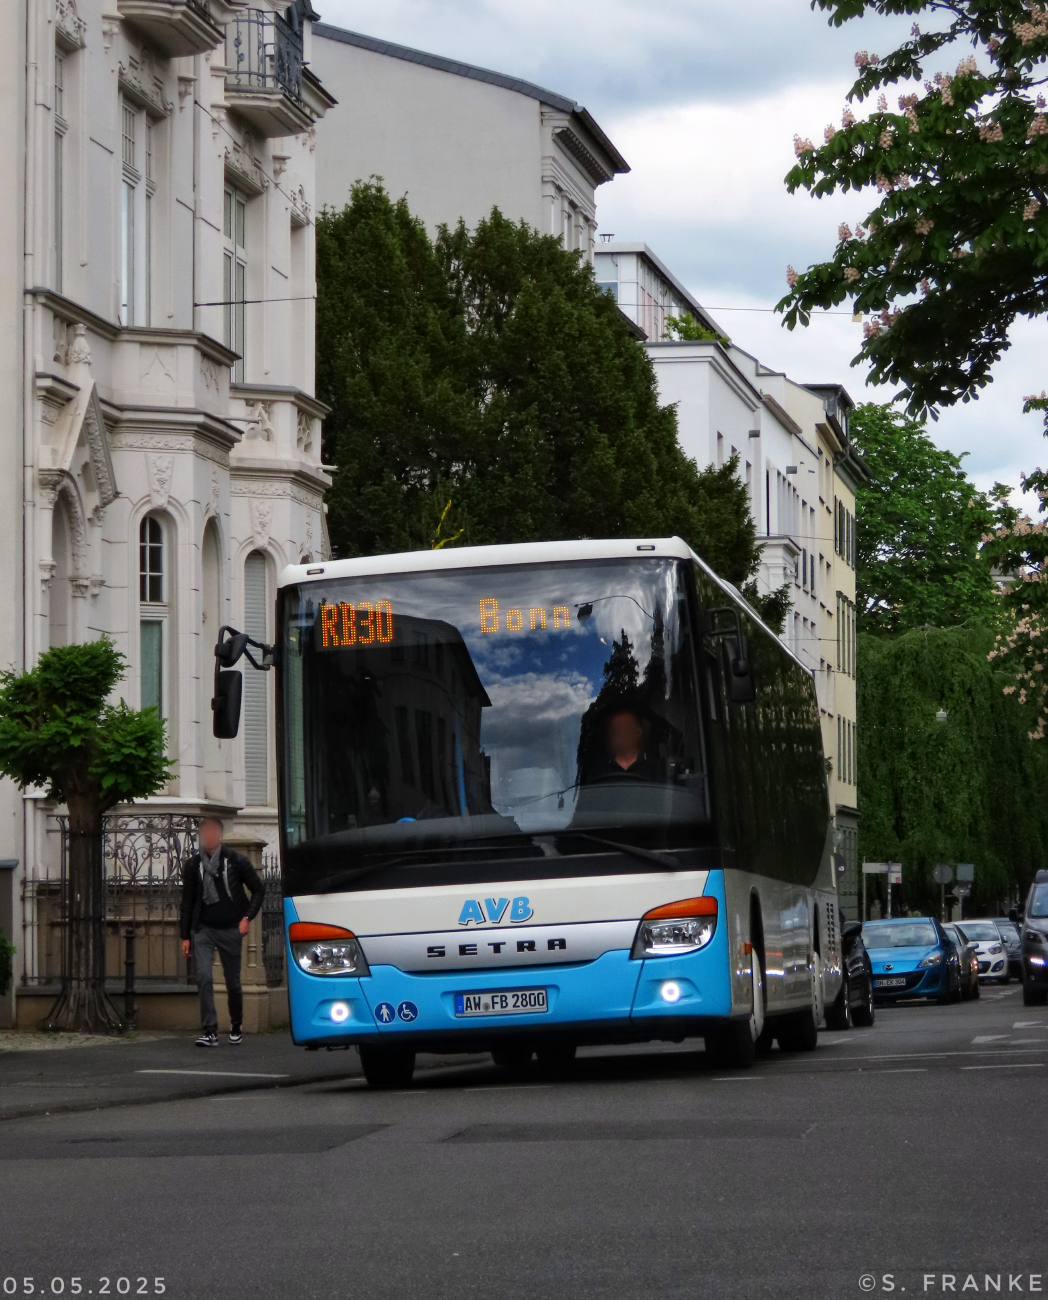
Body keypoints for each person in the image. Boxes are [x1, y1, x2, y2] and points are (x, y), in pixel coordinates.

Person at [179, 817, 265, 1047]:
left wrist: (246, 918)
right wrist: (185, 935)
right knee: (204, 977)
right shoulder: (193, 865)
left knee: (233, 982)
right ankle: (210, 1031)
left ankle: (236, 1025)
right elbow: (187, 901)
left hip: (230, 928)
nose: (208, 837)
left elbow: (258, 889)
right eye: (204, 833)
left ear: (220, 836)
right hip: (203, 928)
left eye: (211, 833)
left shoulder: (236, 862)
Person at [583, 705, 656, 782]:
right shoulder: (597, 771)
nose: (615, 734)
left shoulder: (657, 768)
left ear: (637, 732)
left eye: (621, 728)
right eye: (613, 730)